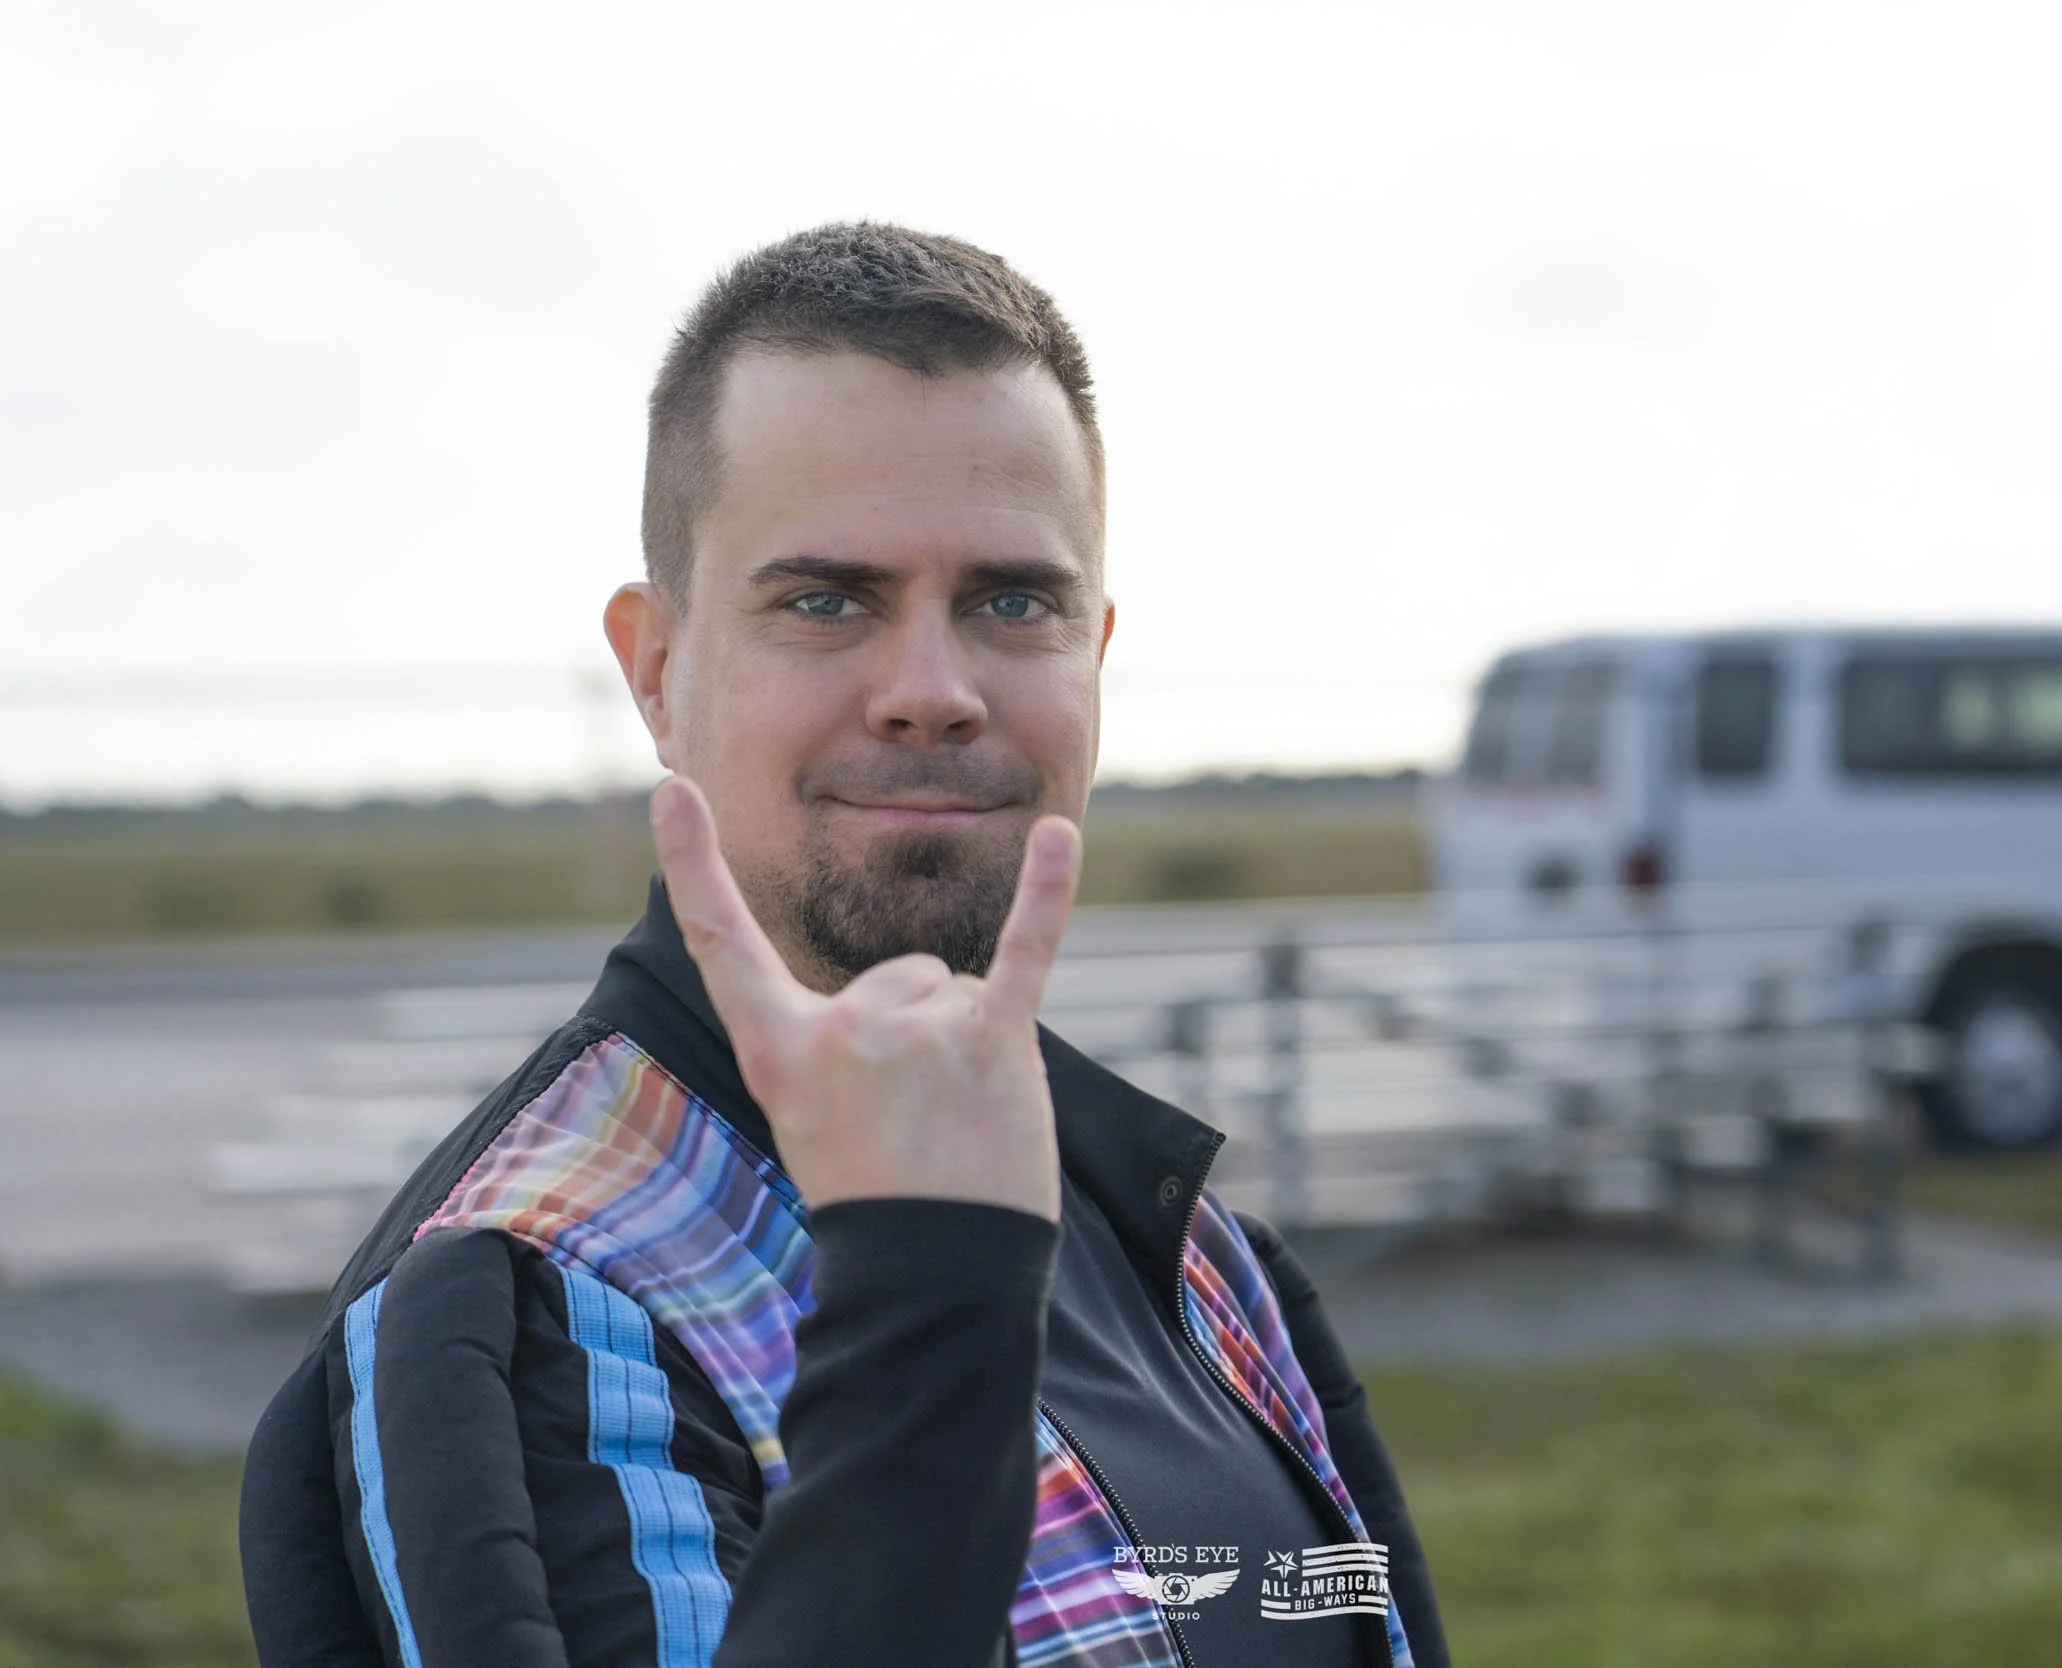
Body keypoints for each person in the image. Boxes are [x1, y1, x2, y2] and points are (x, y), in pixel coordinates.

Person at [236, 222, 1450, 1668]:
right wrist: (931, 1289)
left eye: (1013, 601)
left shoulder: (1196, 1254)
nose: (931, 692)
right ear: (659, 667)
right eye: (826, 600)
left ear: (1096, 654)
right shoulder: (537, 1306)